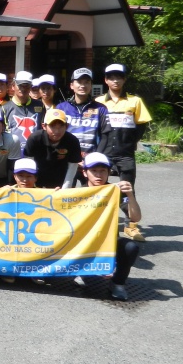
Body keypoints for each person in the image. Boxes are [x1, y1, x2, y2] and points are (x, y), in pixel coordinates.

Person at [97, 63, 151, 241]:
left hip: (125, 153)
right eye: (111, 77)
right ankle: (96, 222)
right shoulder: (98, 102)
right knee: (97, 187)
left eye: (119, 77)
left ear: (124, 79)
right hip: (102, 153)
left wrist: (130, 142)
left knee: (128, 188)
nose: (115, 80)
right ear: (106, 80)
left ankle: (131, 226)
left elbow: (141, 125)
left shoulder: (135, 101)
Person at [81, 152, 142, 300]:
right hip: (82, 242)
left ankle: (118, 283)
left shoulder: (114, 191)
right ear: (85, 172)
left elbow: (136, 217)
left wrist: (130, 195)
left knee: (130, 247)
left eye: (103, 171)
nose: (98, 175)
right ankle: (78, 271)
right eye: (94, 171)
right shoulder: (76, 193)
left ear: (109, 172)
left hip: (108, 241)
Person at [56, 67, 111, 182]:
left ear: (91, 85)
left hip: (91, 161)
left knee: (92, 196)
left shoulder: (101, 108)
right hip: (67, 159)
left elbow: (105, 136)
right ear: (72, 85)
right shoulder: (61, 108)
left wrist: (95, 157)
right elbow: (56, 135)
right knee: (66, 195)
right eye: (79, 82)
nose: (83, 85)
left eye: (87, 82)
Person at [24, 109, 82, 189]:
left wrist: (65, 189)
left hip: (63, 180)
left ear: (67, 126)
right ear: (44, 126)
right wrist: (33, 186)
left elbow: (72, 166)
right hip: (39, 179)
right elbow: (29, 164)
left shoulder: (72, 141)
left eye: (61, 126)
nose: (57, 131)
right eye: (52, 126)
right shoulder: (35, 138)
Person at [1, 70, 43, 154]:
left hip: (35, 153)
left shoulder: (40, 105)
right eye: (20, 85)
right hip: (13, 153)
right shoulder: (4, 108)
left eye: (27, 86)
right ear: (13, 86)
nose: (23, 89)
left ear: (31, 87)